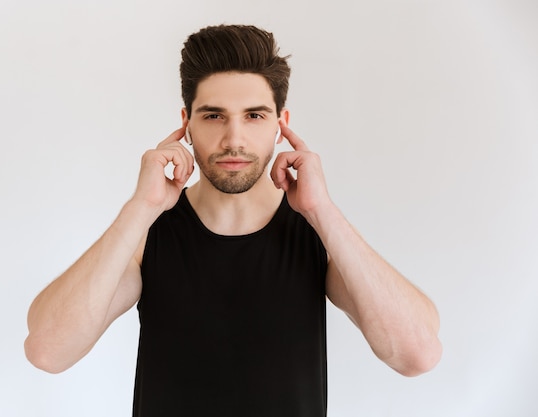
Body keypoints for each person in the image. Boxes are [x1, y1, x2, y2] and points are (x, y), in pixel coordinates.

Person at [24, 24, 442, 416]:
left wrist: (322, 211)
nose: (234, 139)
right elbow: (48, 351)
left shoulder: (318, 237)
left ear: (282, 126)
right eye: (213, 115)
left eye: (255, 115)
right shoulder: (146, 236)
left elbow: (418, 354)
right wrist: (140, 208)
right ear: (186, 124)